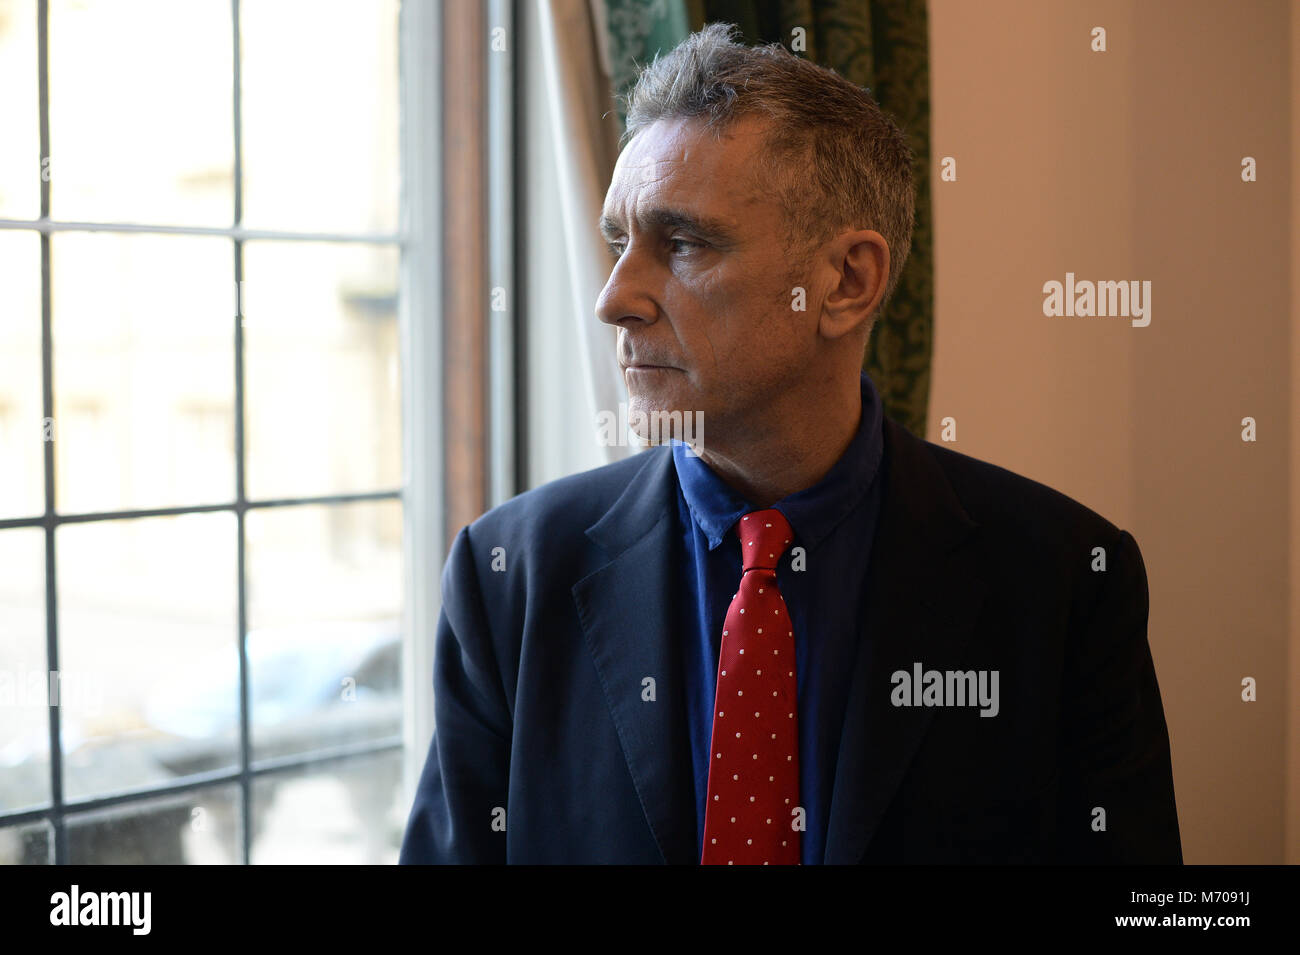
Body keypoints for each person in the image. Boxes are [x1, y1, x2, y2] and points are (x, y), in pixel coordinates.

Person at [399, 23, 1180, 864]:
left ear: (846, 283)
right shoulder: (508, 575)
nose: (614, 298)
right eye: (620, 242)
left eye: (683, 243)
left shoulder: (1064, 580)